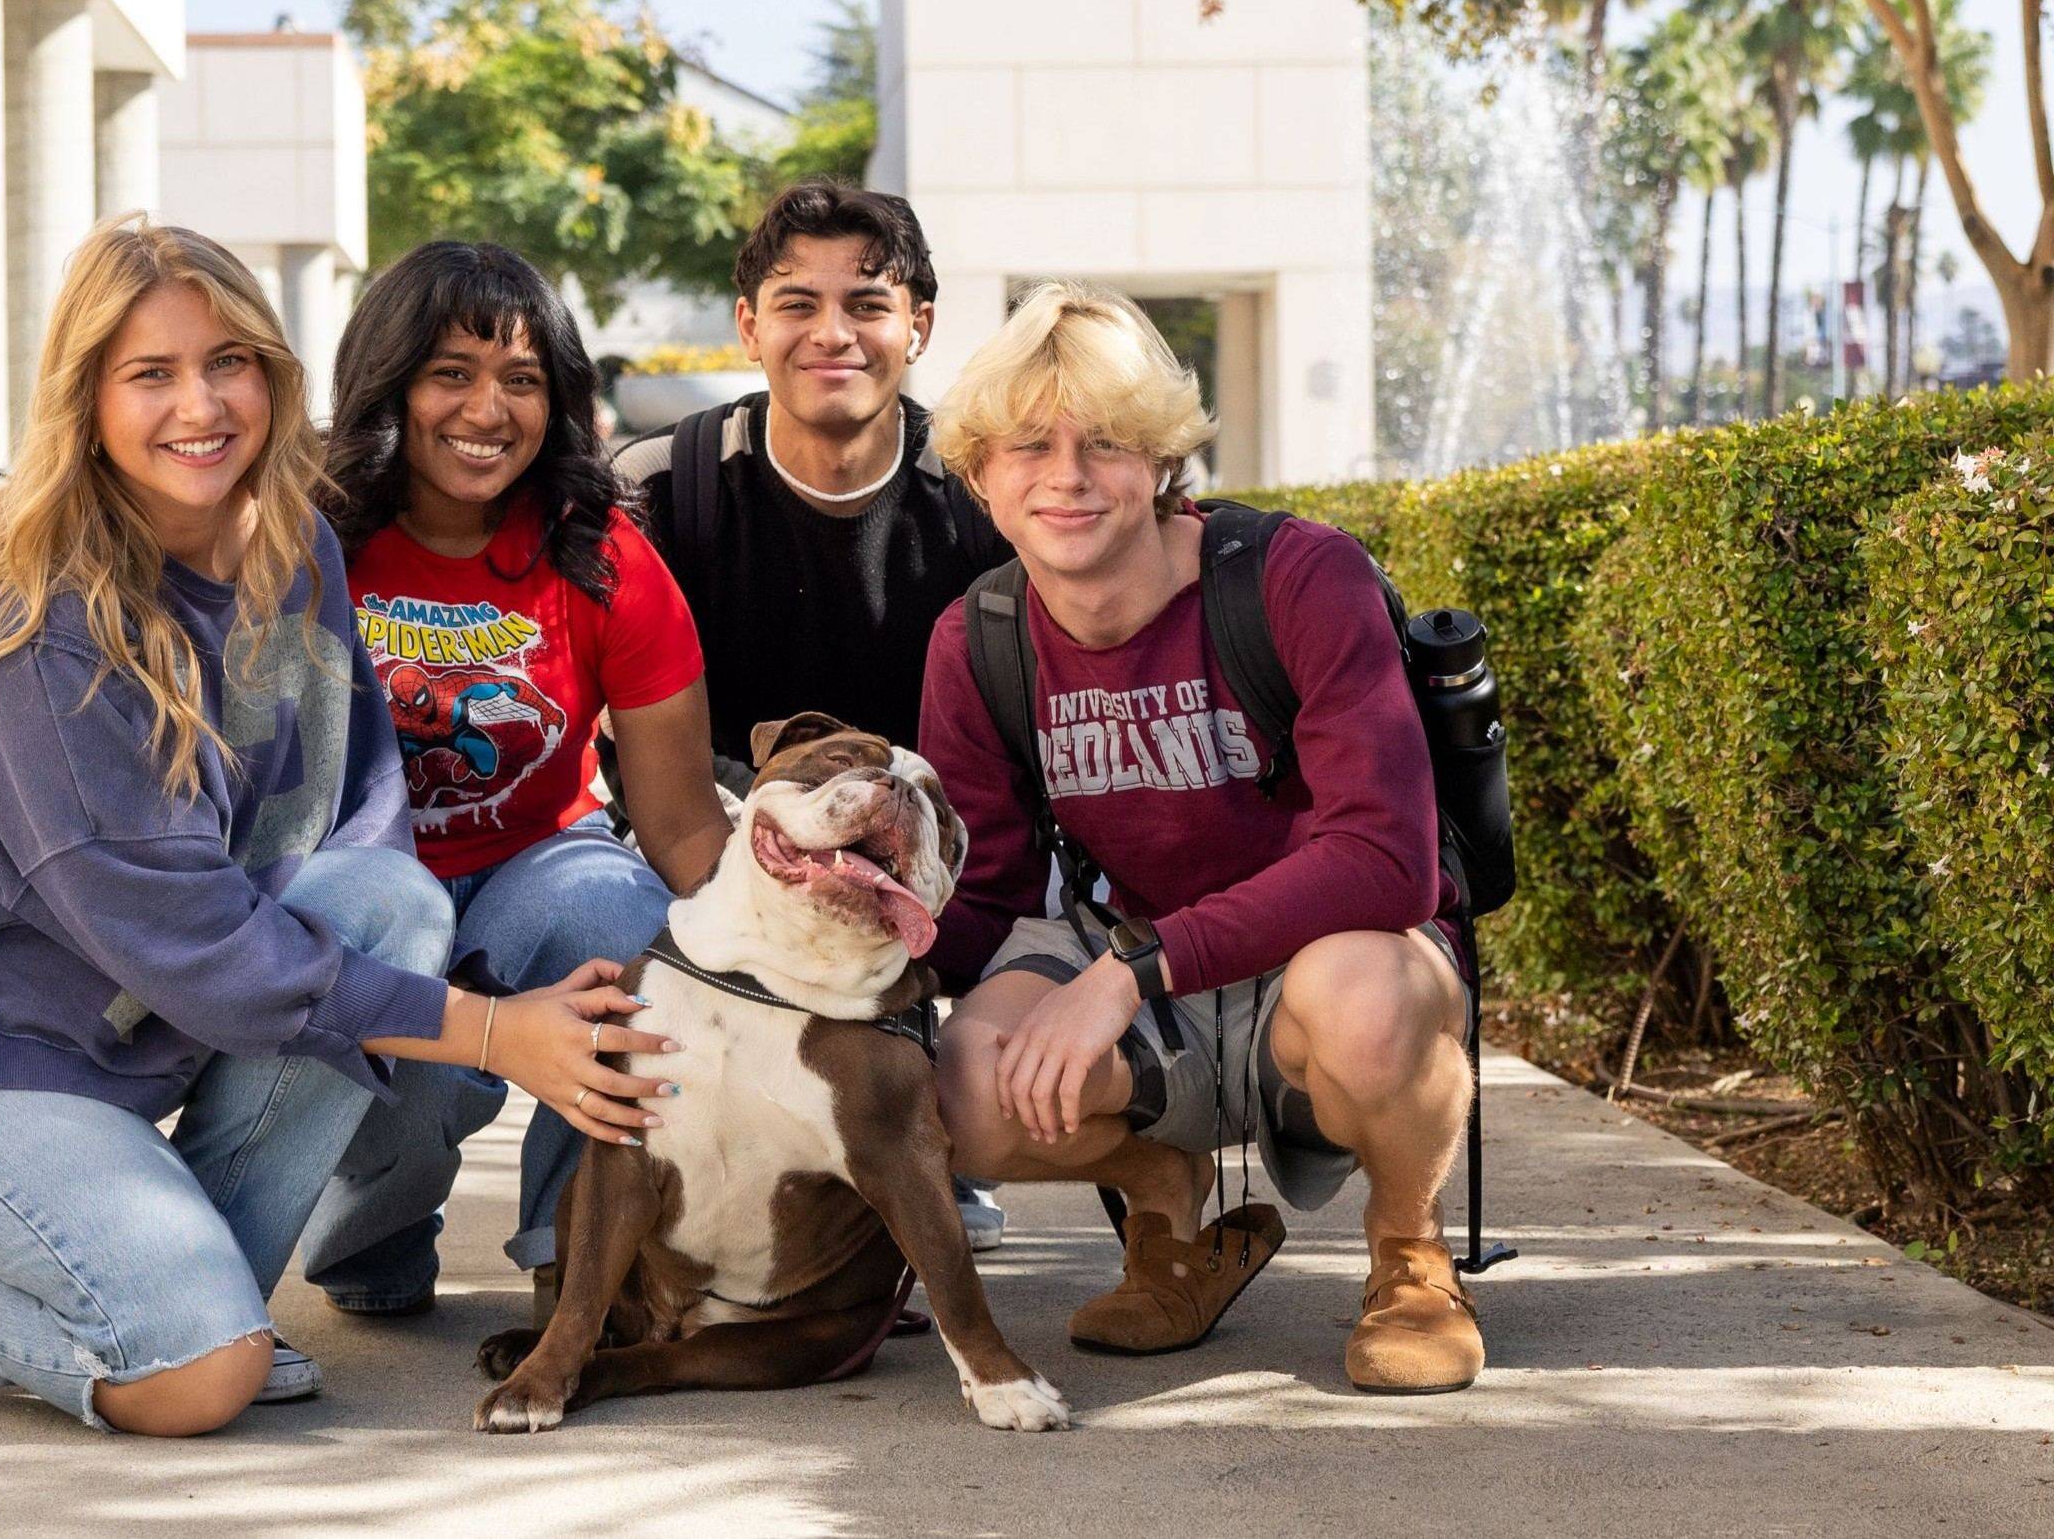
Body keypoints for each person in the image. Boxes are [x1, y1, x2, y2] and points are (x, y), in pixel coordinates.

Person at [0, 216, 676, 1439]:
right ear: (87, 400)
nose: (201, 404)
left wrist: (434, 1005)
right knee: (194, 1377)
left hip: (75, 985)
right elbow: (191, 943)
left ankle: (181, 1292)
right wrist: (490, 1033)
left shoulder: (292, 551)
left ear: (273, 379)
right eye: (151, 373)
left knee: (392, 908)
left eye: (227, 362)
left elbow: (351, 825)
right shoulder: (37, 613)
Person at [916, 281, 1485, 1394]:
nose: (1067, 475)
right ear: (984, 475)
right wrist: (870, 929)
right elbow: (985, 900)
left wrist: (1133, 972)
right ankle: (1169, 1213)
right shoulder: (978, 636)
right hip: (1153, 978)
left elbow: (1387, 857)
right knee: (956, 1091)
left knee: (1365, 999)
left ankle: (1408, 1259)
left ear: (1165, 460)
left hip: (1327, 955)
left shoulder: (1295, 577)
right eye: (1029, 444)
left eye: (1110, 442)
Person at [307, 241, 729, 1312]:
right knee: (417, 1071)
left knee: (623, 921)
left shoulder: (604, 554)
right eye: (452, 372)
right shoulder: (300, 538)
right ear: (389, 379)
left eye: (523, 379)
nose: (487, 409)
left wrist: (756, 966)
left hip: (535, 867)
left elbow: (680, 828)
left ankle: (577, 1252)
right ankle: (371, 1233)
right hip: (362, 886)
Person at [609, 179, 1016, 1248]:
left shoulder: (985, 503)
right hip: (705, 832)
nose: (832, 333)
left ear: (918, 326)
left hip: (927, 844)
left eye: (869, 304)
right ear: (750, 325)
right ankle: (600, 1217)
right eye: (797, 303)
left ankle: (917, 1141)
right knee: (600, 916)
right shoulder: (660, 487)